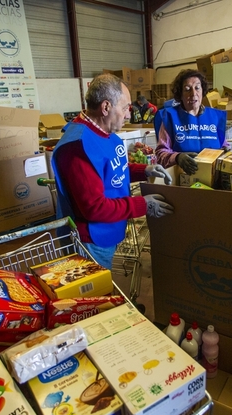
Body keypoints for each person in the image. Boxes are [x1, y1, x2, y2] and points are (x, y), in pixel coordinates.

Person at [52, 73, 174, 270]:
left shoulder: (104, 133)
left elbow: (110, 170)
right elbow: (94, 208)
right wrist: (143, 204)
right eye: (125, 108)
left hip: (109, 228)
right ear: (106, 107)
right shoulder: (78, 148)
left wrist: (145, 170)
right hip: (91, 239)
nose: (128, 114)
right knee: (95, 295)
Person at [154, 69, 228, 175]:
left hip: (213, 176)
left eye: (197, 88)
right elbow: (161, 154)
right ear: (180, 94)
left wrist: (227, 152)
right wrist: (178, 157)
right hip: (182, 178)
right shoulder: (170, 117)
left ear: (203, 91)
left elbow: (225, 146)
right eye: (187, 89)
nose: (193, 94)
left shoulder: (214, 117)